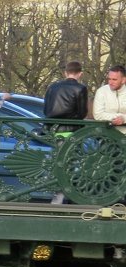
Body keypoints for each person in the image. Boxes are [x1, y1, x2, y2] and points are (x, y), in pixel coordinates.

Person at [45, 61, 89, 204]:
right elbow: (82, 113)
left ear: (65, 72)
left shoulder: (52, 87)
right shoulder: (81, 88)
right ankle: (64, 198)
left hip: (54, 131)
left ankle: (59, 197)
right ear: (80, 74)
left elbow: (46, 110)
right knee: (70, 164)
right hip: (72, 132)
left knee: (59, 163)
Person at [93, 65, 126, 134]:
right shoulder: (101, 91)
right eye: (109, 79)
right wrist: (117, 117)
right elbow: (98, 115)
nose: (110, 82)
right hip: (106, 135)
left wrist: (123, 119)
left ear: (123, 80)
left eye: (114, 79)